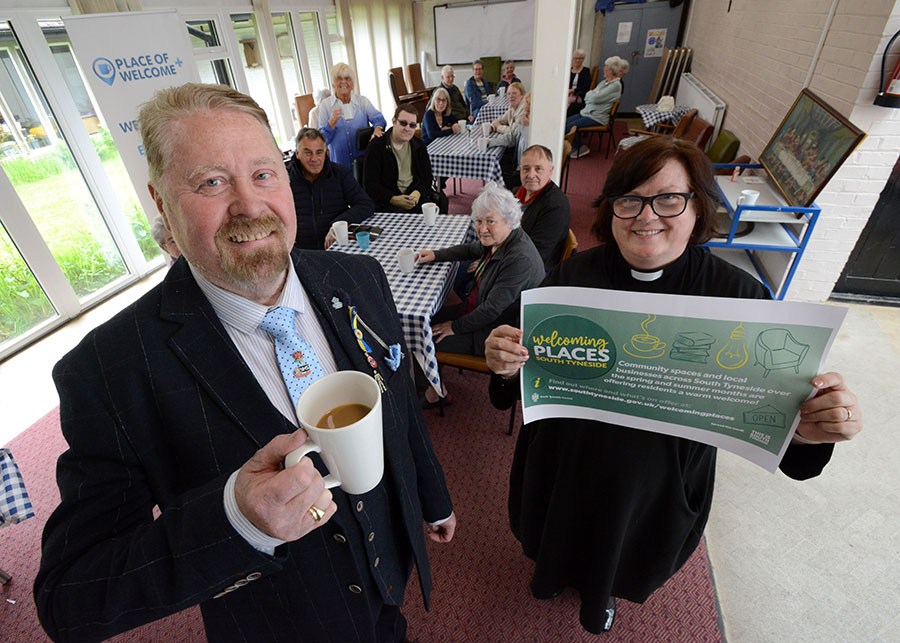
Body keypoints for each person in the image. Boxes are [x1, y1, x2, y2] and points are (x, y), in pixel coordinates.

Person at [35, 83, 456, 643]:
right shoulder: (109, 370)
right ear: (160, 203)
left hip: (391, 567)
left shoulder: (357, 278)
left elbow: (399, 404)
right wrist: (235, 521)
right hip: (284, 620)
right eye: (211, 182)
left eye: (264, 173)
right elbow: (71, 599)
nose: (250, 206)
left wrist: (433, 496)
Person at [484, 136, 862, 635]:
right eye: (629, 199)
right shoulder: (568, 279)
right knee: (558, 530)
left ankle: (603, 598)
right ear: (611, 207)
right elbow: (513, 379)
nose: (647, 216)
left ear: (698, 206)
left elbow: (777, 423)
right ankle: (551, 575)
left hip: (656, 475)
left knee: (623, 543)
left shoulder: (743, 299)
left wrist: (810, 429)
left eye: (668, 198)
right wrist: (504, 365)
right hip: (565, 459)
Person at [416, 182, 544, 403]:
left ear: (509, 220)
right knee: (423, 321)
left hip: (494, 331)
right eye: (479, 221)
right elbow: (471, 248)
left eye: (490, 221)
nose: (482, 228)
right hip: (475, 308)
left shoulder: (519, 259)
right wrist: (436, 255)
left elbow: (491, 310)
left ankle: (435, 395)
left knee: (419, 338)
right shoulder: (501, 238)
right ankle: (431, 379)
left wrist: (455, 327)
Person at [287, 127, 374, 249]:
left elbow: (365, 205)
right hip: (299, 250)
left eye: (319, 152)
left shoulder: (340, 173)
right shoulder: (284, 178)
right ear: (297, 153)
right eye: (308, 152)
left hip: (336, 245)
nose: (314, 159)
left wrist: (338, 225)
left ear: (326, 153)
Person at [364, 103, 441, 213]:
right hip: (387, 201)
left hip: (413, 196)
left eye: (412, 125)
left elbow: (427, 177)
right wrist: (393, 199)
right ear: (394, 121)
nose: (407, 129)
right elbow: (370, 185)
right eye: (403, 123)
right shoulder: (376, 147)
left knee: (441, 202)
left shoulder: (419, 145)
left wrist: (417, 193)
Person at [318, 62, 387, 168]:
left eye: (347, 78)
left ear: (353, 84)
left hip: (364, 163)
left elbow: (379, 119)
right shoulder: (325, 106)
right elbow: (321, 141)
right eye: (339, 78)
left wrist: (377, 128)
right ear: (333, 84)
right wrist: (331, 122)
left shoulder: (362, 101)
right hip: (340, 166)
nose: (343, 82)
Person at [515, 145, 570, 271]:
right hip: (516, 253)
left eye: (538, 169)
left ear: (550, 171)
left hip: (535, 269)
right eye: (526, 169)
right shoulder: (520, 192)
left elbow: (536, 255)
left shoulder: (555, 206)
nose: (531, 175)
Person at [567, 56, 629, 159]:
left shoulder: (616, 85)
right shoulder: (604, 82)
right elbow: (590, 94)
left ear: (611, 70)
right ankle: (574, 146)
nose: (604, 69)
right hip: (588, 112)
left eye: (606, 67)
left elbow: (594, 98)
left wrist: (592, 96)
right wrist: (592, 96)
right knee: (565, 123)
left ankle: (580, 148)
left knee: (570, 127)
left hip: (597, 117)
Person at [487, 92, 531, 190]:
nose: (525, 115)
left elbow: (531, 147)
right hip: (518, 165)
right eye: (525, 111)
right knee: (499, 165)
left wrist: (526, 128)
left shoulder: (534, 129)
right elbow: (511, 137)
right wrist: (490, 142)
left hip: (527, 172)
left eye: (529, 112)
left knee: (498, 175)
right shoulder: (524, 120)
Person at [567, 49, 591, 117]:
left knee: (567, 101)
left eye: (580, 58)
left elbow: (586, 86)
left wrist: (573, 90)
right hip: (567, 94)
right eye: (576, 58)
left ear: (583, 59)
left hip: (578, 96)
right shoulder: (569, 70)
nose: (577, 60)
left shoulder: (586, 71)